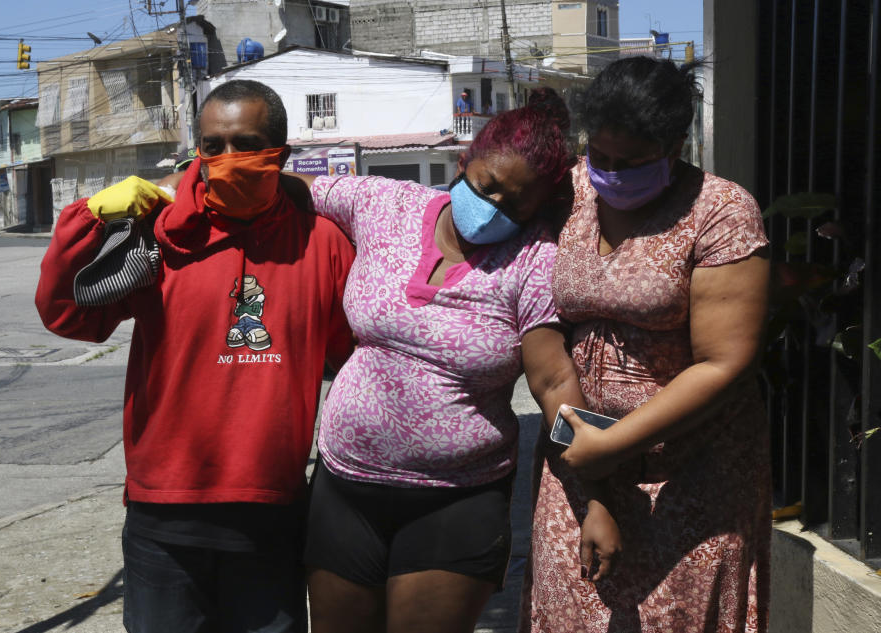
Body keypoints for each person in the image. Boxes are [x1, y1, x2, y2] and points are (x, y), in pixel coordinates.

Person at [291, 88, 619, 633]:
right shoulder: (385, 204)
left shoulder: (534, 261)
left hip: (455, 503)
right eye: (486, 185)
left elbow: (554, 378)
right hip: (344, 488)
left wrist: (598, 500)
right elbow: (292, 190)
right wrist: (188, 188)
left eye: (514, 204)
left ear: (536, 207)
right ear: (464, 161)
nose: (492, 208)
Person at [35, 79, 356, 633]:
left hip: (271, 512)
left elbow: (358, 362)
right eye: (213, 146)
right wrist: (90, 218)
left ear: (279, 151)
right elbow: (68, 314)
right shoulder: (158, 237)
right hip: (165, 512)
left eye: (246, 143)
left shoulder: (320, 242)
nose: (227, 159)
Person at [523, 57, 771, 632]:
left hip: (689, 472)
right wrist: (593, 474)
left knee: (675, 616)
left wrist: (616, 445)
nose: (608, 172)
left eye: (629, 162)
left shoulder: (721, 212)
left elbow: (724, 361)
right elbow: (545, 341)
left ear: (674, 144)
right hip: (576, 461)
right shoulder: (571, 193)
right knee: (574, 610)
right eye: (599, 156)